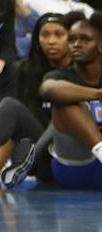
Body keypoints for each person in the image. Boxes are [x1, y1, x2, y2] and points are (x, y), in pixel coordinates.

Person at [40, 15, 102, 190]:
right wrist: (97, 94)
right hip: (74, 164)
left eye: (85, 39)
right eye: (72, 39)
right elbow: (48, 90)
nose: (76, 44)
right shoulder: (60, 76)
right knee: (65, 102)